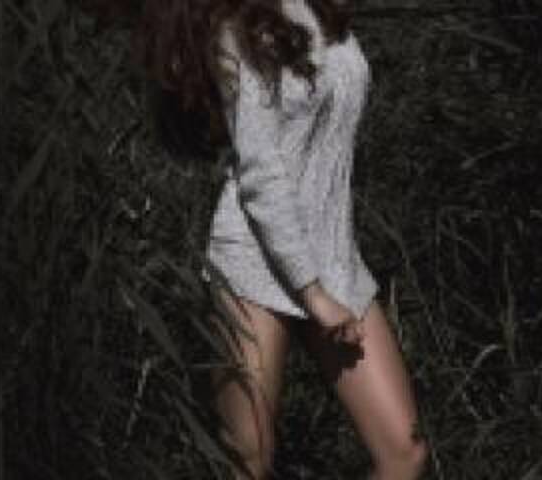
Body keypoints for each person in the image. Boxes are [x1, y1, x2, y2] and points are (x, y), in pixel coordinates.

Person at [89, 0, 428, 478]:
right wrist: (313, 293)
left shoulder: (320, 9)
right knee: (248, 462)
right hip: (255, 259)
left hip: (333, 257)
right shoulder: (235, 27)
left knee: (404, 453)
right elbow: (261, 173)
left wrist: (325, 282)